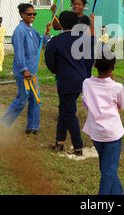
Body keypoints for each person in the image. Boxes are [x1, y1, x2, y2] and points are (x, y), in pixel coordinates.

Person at [45, 11, 96, 155]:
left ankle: (78, 146)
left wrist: (58, 70)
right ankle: (60, 140)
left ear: (60, 24)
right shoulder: (81, 39)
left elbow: (49, 62)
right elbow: (93, 43)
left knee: (69, 112)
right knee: (64, 109)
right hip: (80, 79)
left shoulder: (55, 41)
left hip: (65, 81)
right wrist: (92, 23)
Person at [0, 3, 51, 134]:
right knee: (22, 99)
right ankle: (1, 125)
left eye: (34, 14)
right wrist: (24, 69)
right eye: (29, 14)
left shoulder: (31, 30)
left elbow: (40, 44)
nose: (32, 16)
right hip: (25, 72)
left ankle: (32, 128)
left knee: (36, 99)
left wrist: (46, 33)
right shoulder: (19, 31)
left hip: (32, 72)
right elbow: (19, 52)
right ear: (22, 14)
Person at [82, 51, 124, 195]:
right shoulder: (117, 87)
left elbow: (85, 104)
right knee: (108, 170)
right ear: (113, 68)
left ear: (95, 65)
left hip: (96, 132)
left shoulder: (87, 83)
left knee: (106, 168)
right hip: (112, 134)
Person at [51, 0, 95, 77]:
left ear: (83, 6)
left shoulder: (85, 19)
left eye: (79, 5)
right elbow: (57, 27)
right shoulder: (69, 17)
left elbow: (90, 39)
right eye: (74, 4)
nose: (76, 6)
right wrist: (54, 13)